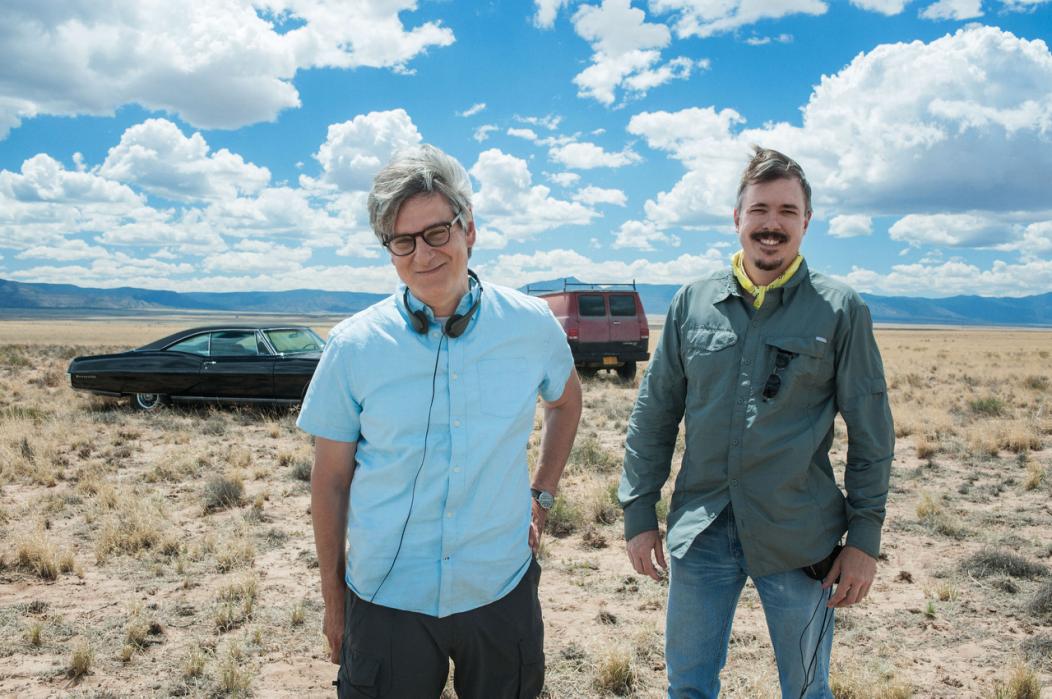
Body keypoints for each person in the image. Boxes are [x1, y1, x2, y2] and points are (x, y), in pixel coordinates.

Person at [299, 144, 582, 699]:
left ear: (468, 229)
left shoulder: (530, 325)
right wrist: (334, 600)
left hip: (499, 585)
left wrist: (542, 494)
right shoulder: (354, 346)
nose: (422, 254)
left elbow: (566, 402)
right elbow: (329, 480)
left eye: (436, 232)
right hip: (386, 595)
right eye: (402, 241)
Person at [619, 146, 894, 698]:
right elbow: (653, 415)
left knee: (807, 689)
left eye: (788, 211)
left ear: (807, 221)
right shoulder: (692, 303)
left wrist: (864, 539)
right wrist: (638, 511)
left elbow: (872, 433)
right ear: (737, 218)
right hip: (701, 529)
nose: (772, 224)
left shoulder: (840, 309)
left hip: (799, 536)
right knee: (688, 687)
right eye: (760, 210)